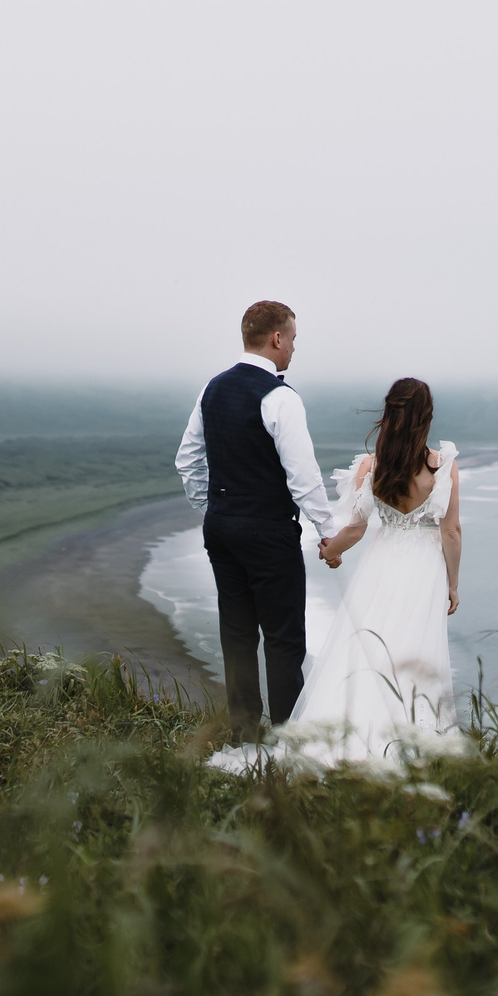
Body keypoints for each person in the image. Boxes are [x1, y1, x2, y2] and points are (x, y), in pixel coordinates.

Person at [215, 376, 470, 777]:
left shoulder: (373, 467)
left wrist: (331, 550)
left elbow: (356, 527)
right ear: (426, 418)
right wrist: (453, 584)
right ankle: (416, 741)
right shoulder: (442, 468)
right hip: (424, 570)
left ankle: (346, 731)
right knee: (417, 650)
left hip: (380, 565)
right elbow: (450, 532)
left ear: (389, 413)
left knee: (365, 645)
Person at [174, 300, 338, 733]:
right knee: (284, 641)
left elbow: (187, 459)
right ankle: (288, 741)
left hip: (222, 528)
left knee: (238, 635)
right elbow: (303, 476)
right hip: (268, 532)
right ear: (276, 338)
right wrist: (329, 532)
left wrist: (210, 507)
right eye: (294, 340)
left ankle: (244, 733)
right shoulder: (281, 398)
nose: (294, 349)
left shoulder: (212, 388)